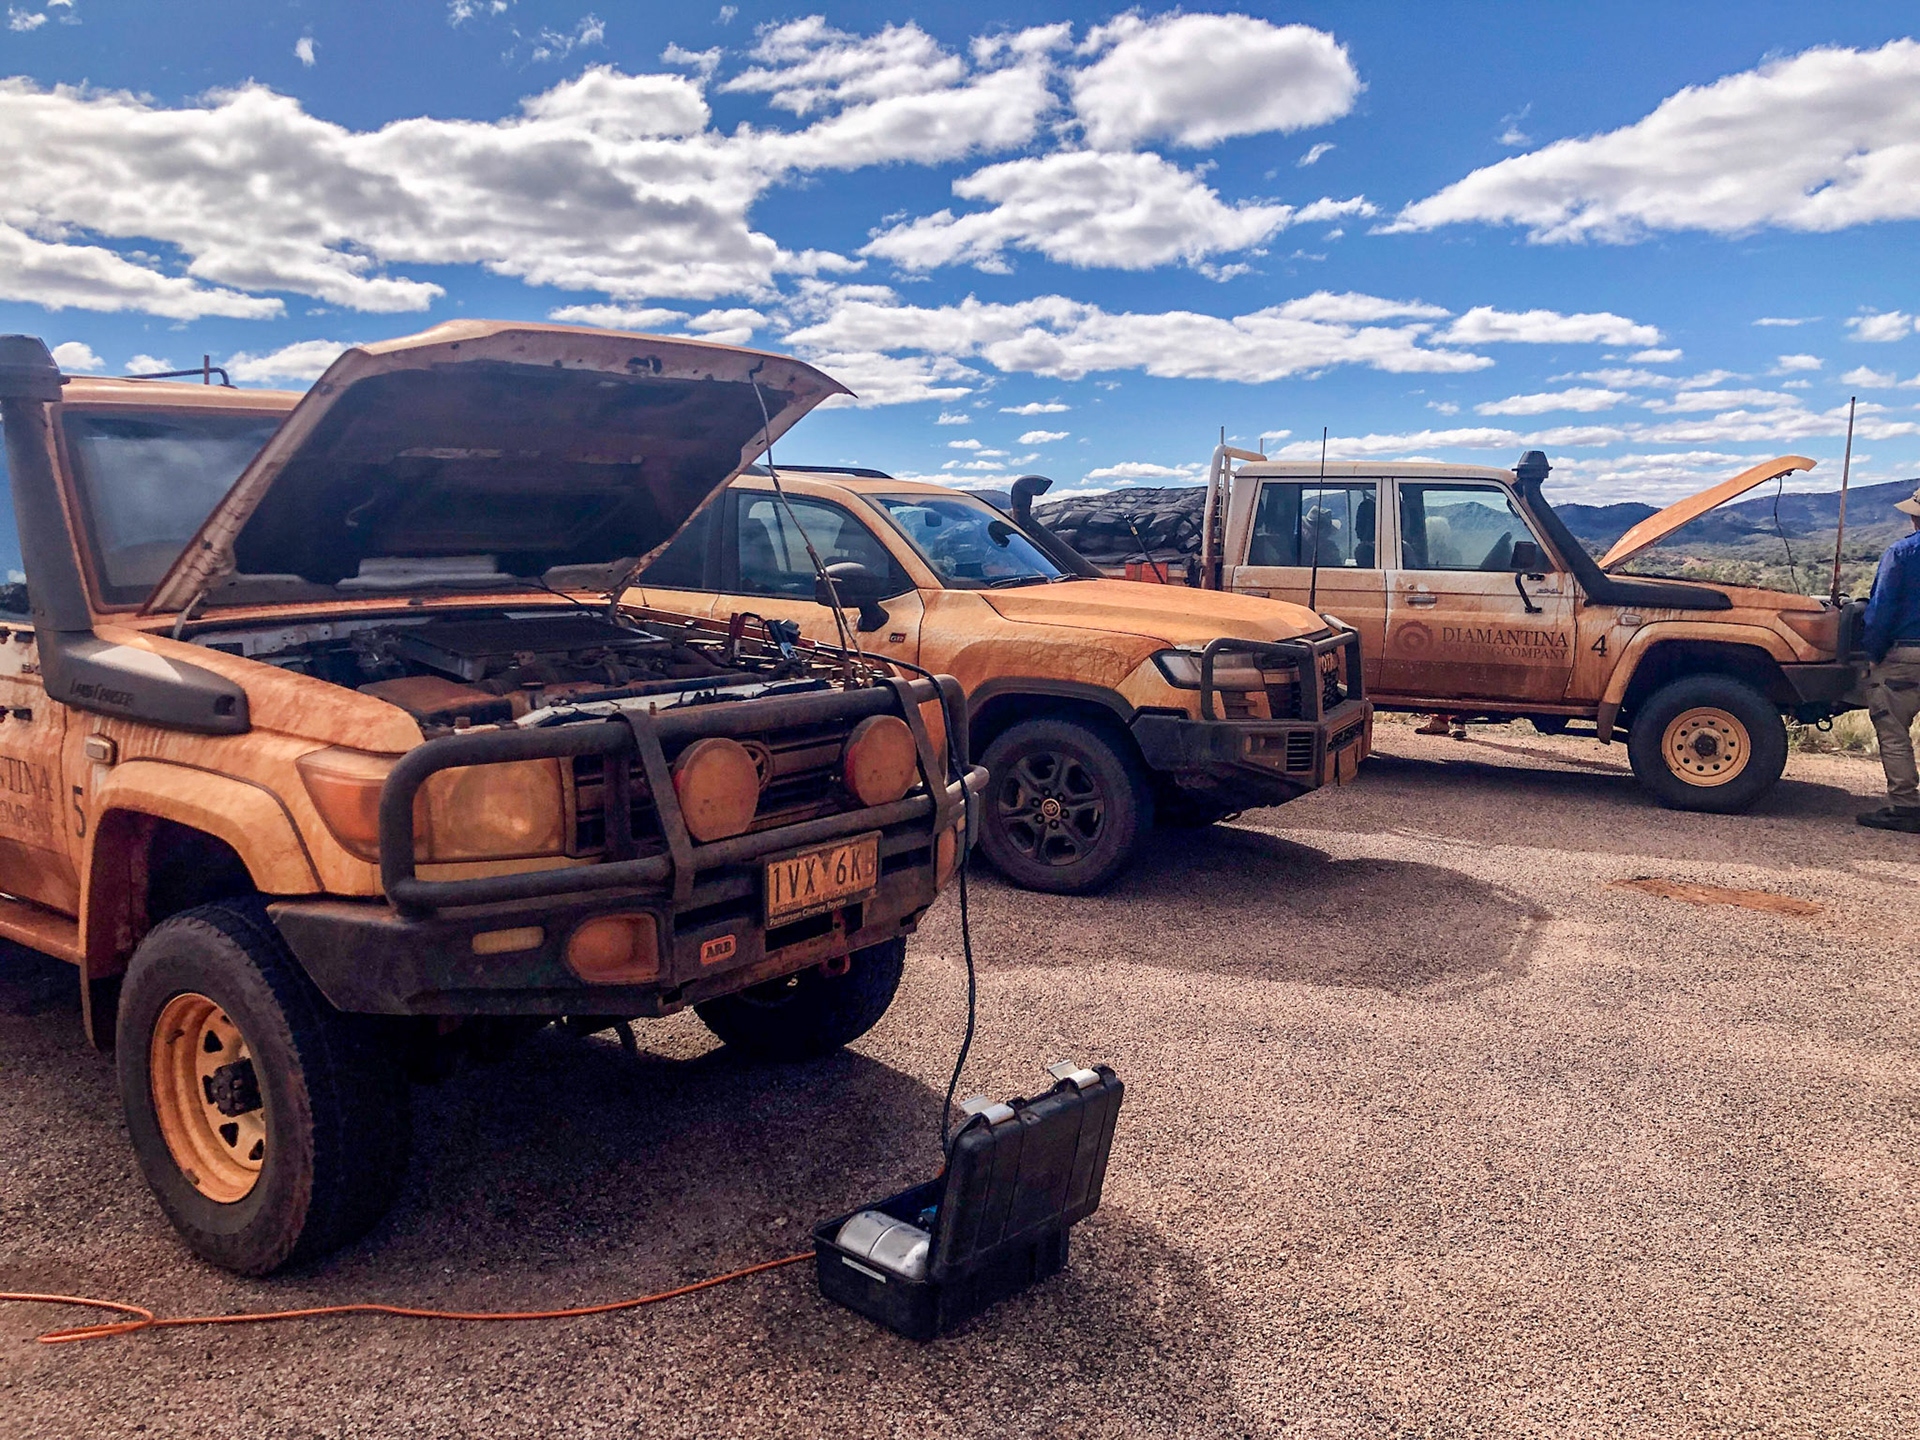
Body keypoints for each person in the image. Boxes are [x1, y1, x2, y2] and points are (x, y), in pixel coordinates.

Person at [1857, 483, 1920, 832]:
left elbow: (1881, 611)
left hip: (1906, 654)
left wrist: (1873, 654)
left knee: (1894, 731)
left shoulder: (1901, 554)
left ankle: (1907, 806)